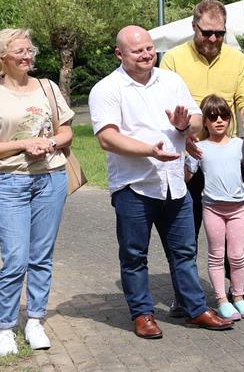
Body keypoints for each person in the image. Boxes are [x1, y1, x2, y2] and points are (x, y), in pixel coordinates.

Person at [90, 26, 234, 339]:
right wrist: (149, 151)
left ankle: (195, 309)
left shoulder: (170, 80)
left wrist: (186, 126)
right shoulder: (107, 88)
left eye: (148, 48)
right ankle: (142, 314)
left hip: (176, 184)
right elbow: (107, 138)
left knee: (184, 252)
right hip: (134, 185)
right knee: (134, 255)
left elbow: (196, 119)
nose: (145, 55)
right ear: (120, 54)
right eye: (136, 51)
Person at [0, 28, 72, 356]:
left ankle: (35, 320)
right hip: (8, 183)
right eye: (20, 52)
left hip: (50, 179)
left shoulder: (48, 88)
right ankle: (5, 327)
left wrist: (50, 142)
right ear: (2, 58)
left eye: (30, 51)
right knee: (15, 258)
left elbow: (66, 131)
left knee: (41, 256)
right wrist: (24, 143)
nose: (27, 56)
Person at [160, 0, 244, 313]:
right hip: (189, 157)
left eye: (219, 33)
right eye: (207, 33)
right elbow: (163, 105)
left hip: (227, 157)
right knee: (185, 230)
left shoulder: (235, 58)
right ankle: (185, 293)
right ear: (194, 27)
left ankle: (236, 291)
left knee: (234, 234)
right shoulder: (174, 59)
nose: (214, 39)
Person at [185, 95, 244, 321]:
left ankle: (238, 296)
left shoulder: (238, 144)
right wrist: (187, 154)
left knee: (237, 255)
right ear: (204, 121)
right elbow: (187, 176)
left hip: (237, 210)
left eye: (224, 116)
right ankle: (221, 300)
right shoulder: (201, 147)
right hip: (213, 209)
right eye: (212, 116)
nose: (219, 121)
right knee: (216, 255)